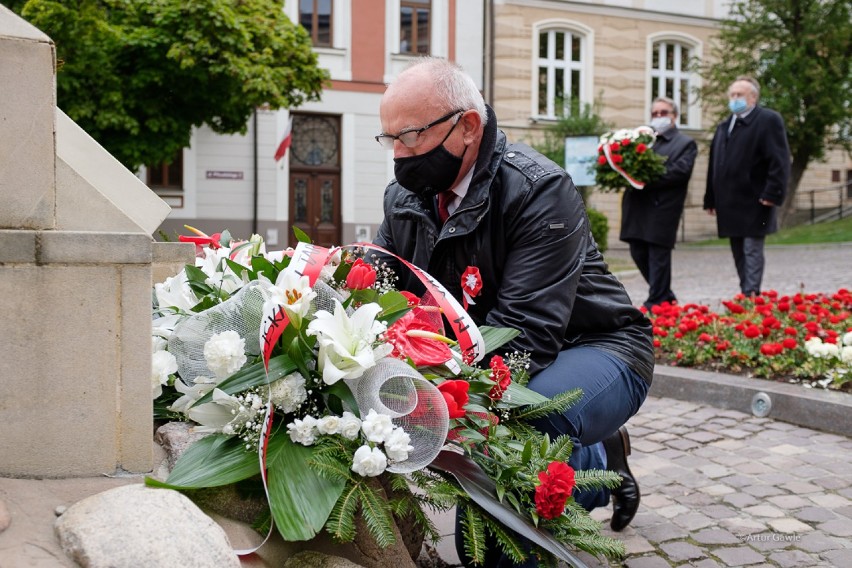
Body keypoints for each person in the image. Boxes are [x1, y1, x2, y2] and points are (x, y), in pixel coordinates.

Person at [372, 57, 654, 565]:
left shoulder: (537, 188)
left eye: (411, 135)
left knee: (522, 421)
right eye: (389, 138)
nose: (398, 153)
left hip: (593, 345)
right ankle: (592, 456)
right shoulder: (404, 199)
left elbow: (526, 337)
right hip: (484, 352)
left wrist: (444, 398)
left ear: (468, 127)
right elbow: (382, 292)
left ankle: (565, 487)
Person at [704, 75, 790, 297]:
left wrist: (772, 192)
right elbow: (715, 164)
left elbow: (778, 160)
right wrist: (710, 198)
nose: (734, 99)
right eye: (732, 95)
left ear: (753, 97)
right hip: (729, 201)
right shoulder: (724, 126)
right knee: (737, 250)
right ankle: (746, 291)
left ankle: (751, 294)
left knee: (752, 249)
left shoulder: (768, 120)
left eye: (739, 95)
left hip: (756, 199)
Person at [620, 96, 697, 311]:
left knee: (657, 256)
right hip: (637, 207)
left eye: (664, 113)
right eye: (655, 113)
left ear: (674, 116)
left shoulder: (685, 143)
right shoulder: (642, 140)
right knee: (638, 252)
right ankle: (666, 296)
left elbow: (680, 172)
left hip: (662, 207)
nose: (659, 117)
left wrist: (647, 175)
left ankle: (656, 301)